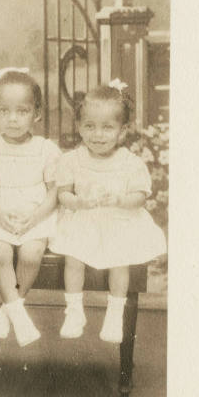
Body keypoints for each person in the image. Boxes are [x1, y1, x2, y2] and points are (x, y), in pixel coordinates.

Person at [50, 79, 167, 343]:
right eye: (89, 126)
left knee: (119, 258)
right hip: (83, 219)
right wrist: (77, 202)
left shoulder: (130, 162)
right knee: (73, 257)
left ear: (122, 130)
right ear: (79, 126)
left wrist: (119, 199)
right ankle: (74, 310)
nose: (97, 134)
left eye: (107, 127)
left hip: (118, 220)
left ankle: (115, 313)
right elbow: (63, 194)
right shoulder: (72, 160)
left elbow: (139, 197)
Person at [0, 68, 61, 347]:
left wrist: (35, 217)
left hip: (35, 213)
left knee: (32, 254)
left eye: (22, 111)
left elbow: (55, 191)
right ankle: (18, 315)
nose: (13, 118)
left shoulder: (46, 149)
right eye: (4, 110)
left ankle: (8, 312)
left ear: (36, 113)